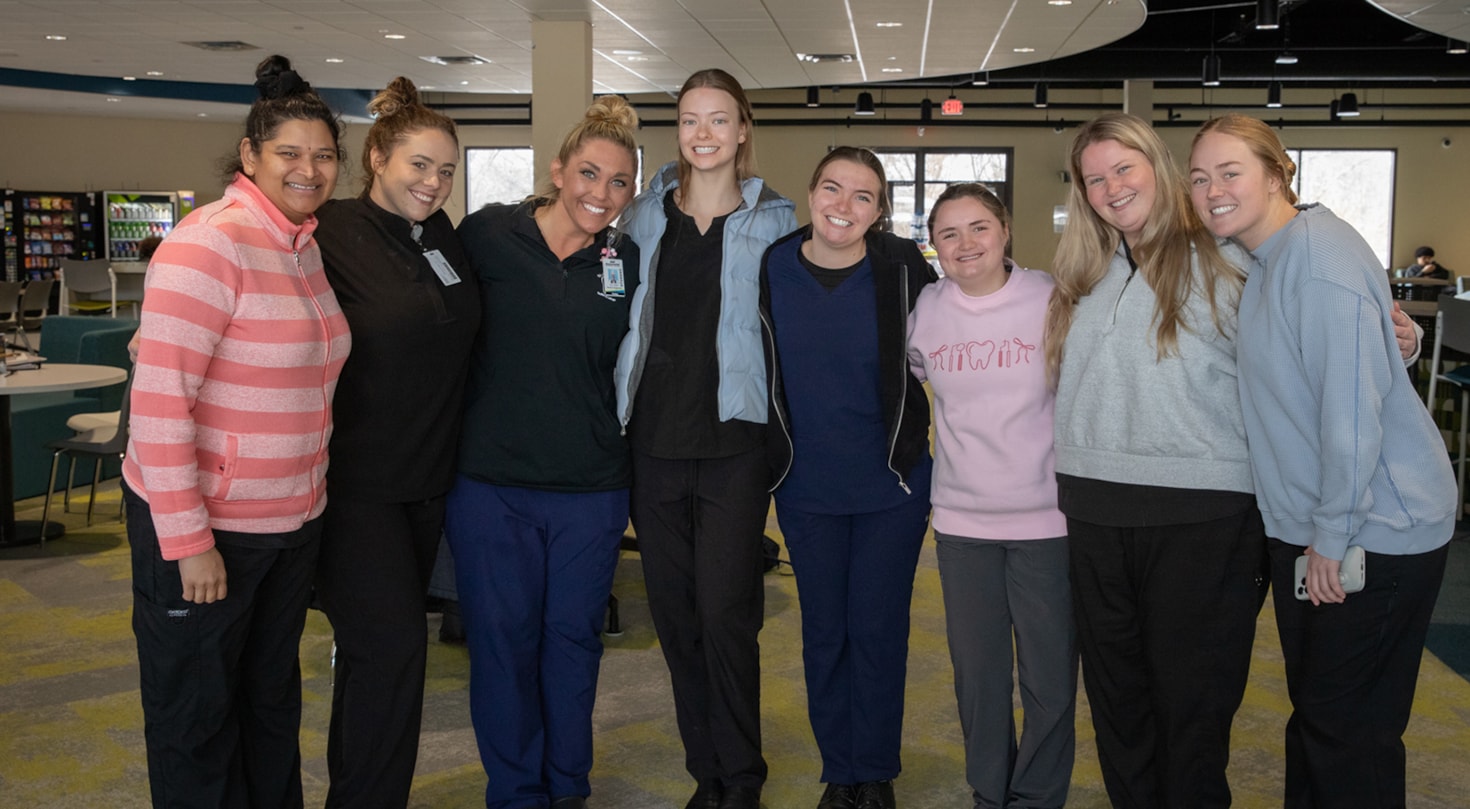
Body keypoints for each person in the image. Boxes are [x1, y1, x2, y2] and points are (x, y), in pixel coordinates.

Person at [1188, 113, 1456, 809]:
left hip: (1373, 528)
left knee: (1347, 731)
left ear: (1277, 175)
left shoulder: (1319, 258)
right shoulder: (1269, 256)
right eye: (1199, 177)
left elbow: (1349, 417)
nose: (1212, 189)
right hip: (1319, 525)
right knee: (1321, 721)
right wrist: (1398, 342)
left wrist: (1334, 533)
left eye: (1230, 172)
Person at [121, 54, 349, 808]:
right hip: (207, 533)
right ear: (251, 156)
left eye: (322, 155)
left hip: (288, 525)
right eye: (289, 153)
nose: (308, 168)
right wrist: (188, 541)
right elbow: (158, 405)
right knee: (197, 718)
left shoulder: (303, 245)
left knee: (269, 707)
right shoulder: (207, 242)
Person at [1042, 112, 1265, 809]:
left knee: (1191, 708)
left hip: (1202, 514)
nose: (1111, 187)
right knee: (1119, 703)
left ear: (1158, 167)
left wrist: (1396, 339)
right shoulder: (1083, 273)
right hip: (1095, 512)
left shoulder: (1228, 257)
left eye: (1124, 168)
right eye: (1095, 178)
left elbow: (1308, 351)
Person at [444, 96, 640, 809]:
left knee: (572, 645)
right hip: (490, 485)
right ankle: (517, 793)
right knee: (501, 646)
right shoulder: (489, 234)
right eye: (589, 173)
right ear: (558, 170)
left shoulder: (627, 258)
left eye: (619, 183)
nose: (601, 193)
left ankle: (567, 788)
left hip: (590, 489)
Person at [613, 68, 796, 809]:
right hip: (653, 441)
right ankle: (706, 773)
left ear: (743, 128)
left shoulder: (777, 221)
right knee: (676, 615)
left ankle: (741, 776)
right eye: (690, 120)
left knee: (727, 615)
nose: (704, 134)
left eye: (719, 120)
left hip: (733, 444)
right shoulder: (643, 216)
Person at [312, 77, 479, 808]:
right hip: (358, 486)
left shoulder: (440, 233)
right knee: (391, 651)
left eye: (446, 170)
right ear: (377, 155)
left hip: (428, 484)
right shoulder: (328, 229)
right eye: (419, 164)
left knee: (381, 661)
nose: (434, 182)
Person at [759, 146, 935, 809]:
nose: (844, 205)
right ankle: (841, 768)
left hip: (892, 485)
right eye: (832, 188)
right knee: (825, 632)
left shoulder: (900, 267)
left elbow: (954, 336)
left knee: (879, 629)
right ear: (810, 193)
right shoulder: (774, 265)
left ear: (879, 209)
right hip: (805, 487)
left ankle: (876, 769)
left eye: (863, 196)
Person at [907, 184, 1074, 809]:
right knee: (978, 678)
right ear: (935, 246)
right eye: (948, 234)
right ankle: (990, 790)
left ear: (1005, 231)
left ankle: (1036, 797)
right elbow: (912, 375)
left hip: (1048, 522)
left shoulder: (1053, 298)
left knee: (1049, 679)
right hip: (961, 523)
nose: (965, 243)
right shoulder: (926, 309)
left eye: (978, 228)